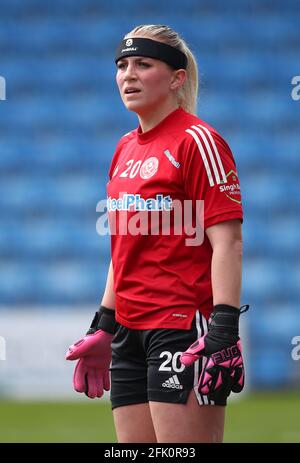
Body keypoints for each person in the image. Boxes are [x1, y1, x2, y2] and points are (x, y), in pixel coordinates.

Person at [66, 24, 249, 443]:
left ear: (176, 78)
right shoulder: (123, 148)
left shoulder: (199, 142)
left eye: (143, 64)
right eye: (122, 65)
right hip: (129, 334)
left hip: (182, 326)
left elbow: (228, 242)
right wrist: (104, 323)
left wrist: (224, 330)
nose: (128, 75)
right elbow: (125, 246)